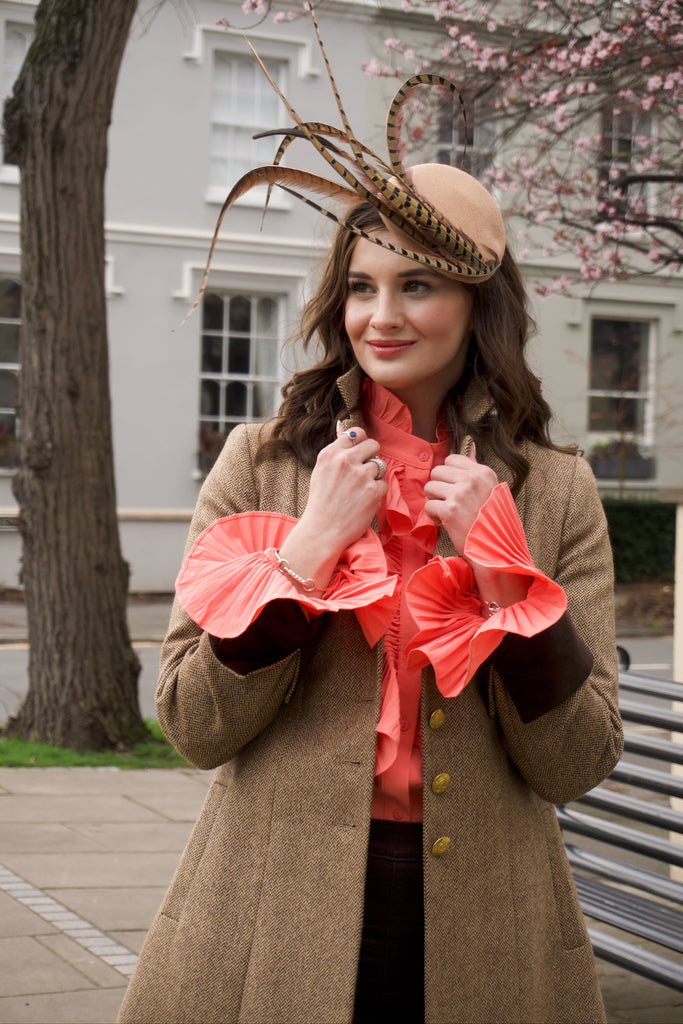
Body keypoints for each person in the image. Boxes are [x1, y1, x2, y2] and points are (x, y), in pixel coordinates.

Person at [118, 23, 623, 1024]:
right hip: (268, 915)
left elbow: (575, 761)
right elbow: (190, 724)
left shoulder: (554, 489)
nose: (377, 315)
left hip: (491, 927)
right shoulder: (261, 462)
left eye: (416, 285)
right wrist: (302, 555)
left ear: (476, 305)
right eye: (359, 286)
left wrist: (506, 581)